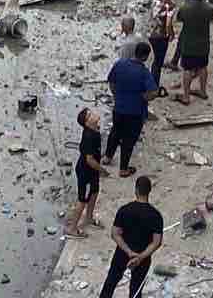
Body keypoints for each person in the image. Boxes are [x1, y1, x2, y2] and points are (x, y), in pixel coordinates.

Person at [98, 175, 163, 298]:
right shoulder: (156, 215)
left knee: (111, 282)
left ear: (136, 190)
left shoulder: (124, 210)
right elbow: (157, 242)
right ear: (149, 191)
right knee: (136, 290)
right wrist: (140, 257)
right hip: (143, 258)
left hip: (122, 253)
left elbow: (115, 234)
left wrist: (129, 252)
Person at [104, 41, 157, 176]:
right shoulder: (144, 73)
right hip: (135, 112)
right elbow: (152, 92)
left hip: (119, 108)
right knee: (129, 140)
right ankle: (123, 169)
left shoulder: (120, 64)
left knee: (115, 132)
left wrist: (116, 95)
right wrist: (143, 97)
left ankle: (107, 157)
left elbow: (111, 82)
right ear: (145, 57)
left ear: (135, 52)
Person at [173, 0, 213, 106]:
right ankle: (203, 91)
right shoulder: (209, 8)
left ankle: (186, 96)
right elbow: (211, 18)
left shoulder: (185, 8)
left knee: (187, 69)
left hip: (189, 44)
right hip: (203, 44)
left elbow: (179, 18)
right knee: (203, 67)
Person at [67, 108, 103, 236]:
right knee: (82, 200)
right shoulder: (89, 136)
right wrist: (102, 170)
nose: (94, 114)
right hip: (86, 172)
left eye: (91, 112)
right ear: (87, 123)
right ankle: (72, 228)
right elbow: (89, 160)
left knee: (94, 192)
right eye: (90, 115)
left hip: (93, 171)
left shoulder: (95, 129)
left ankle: (89, 217)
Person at [146, 0, 177, 87]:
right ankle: (154, 86)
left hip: (151, 32)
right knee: (158, 62)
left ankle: (152, 83)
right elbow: (168, 24)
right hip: (160, 36)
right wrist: (171, 34)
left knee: (155, 60)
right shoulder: (171, 4)